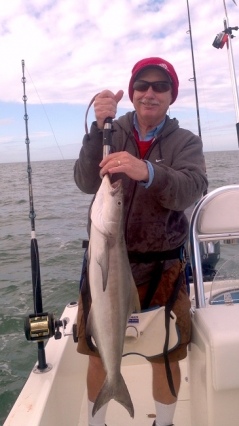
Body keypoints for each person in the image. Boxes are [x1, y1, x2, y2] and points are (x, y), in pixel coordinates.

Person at [74, 57, 208, 426]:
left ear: (171, 96)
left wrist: (147, 171)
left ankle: (162, 423)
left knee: (165, 355)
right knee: (99, 354)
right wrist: (95, 129)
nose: (150, 93)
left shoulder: (186, 142)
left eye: (160, 86)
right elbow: (87, 182)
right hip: (106, 266)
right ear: (132, 93)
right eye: (142, 85)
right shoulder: (110, 132)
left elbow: (191, 189)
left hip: (164, 268)